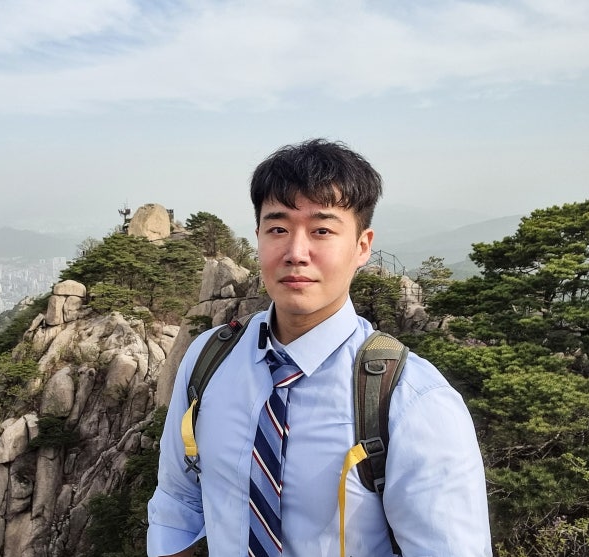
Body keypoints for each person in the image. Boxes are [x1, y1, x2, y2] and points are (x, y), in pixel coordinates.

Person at [147, 138, 492, 556]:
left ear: (362, 246)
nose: (296, 253)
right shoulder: (208, 360)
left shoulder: (412, 401)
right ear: (258, 238)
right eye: (278, 229)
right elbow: (179, 499)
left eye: (322, 231)